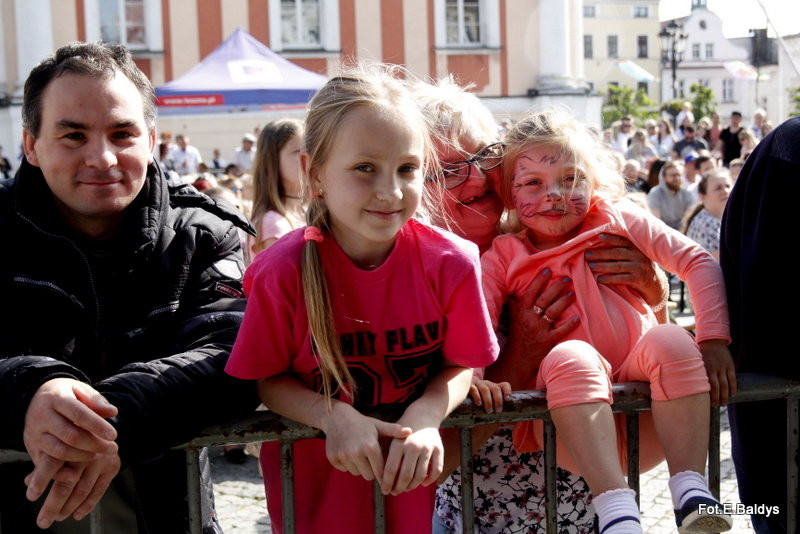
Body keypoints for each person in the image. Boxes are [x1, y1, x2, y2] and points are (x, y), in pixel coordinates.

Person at [225, 66, 500, 534]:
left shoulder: (454, 262)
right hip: (312, 500)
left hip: (413, 498)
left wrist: (428, 415)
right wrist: (333, 417)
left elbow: (462, 367)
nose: (390, 192)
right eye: (364, 169)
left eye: (407, 169)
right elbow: (265, 378)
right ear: (315, 174)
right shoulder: (281, 272)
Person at [0, 42, 259, 533]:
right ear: (31, 145)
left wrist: (107, 422)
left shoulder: (203, 233)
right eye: (73, 135)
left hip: (167, 515)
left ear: (152, 138)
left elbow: (234, 351)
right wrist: (27, 389)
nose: (102, 157)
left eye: (122, 133)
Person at [415, 79, 667, 534]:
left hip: (595, 507)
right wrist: (523, 353)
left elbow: (644, 356)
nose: (475, 177)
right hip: (486, 516)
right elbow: (440, 449)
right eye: (449, 169)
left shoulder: (556, 234)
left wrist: (653, 289)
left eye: (484, 156)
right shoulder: (419, 277)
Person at [481, 109, 735, 534]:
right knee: (572, 355)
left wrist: (712, 340)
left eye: (570, 178)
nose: (555, 195)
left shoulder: (617, 218)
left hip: (651, 423)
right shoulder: (506, 253)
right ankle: (616, 509)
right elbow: (479, 317)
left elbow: (697, 261)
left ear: (594, 180)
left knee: (673, 339)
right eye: (533, 183)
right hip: (571, 434)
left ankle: (691, 489)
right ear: (508, 193)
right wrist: (473, 374)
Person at [721, 117, 800, 534]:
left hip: (766, 391)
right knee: (775, 513)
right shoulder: (789, 149)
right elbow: (765, 280)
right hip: (771, 398)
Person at [247, 118, 305, 261]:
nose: (307, 157)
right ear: (272, 160)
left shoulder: (313, 210)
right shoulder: (272, 223)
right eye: (297, 151)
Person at [683, 168, 732, 261]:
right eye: (718, 188)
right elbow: (726, 264)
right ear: (702, 196)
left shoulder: (712, 217)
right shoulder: (708, 223)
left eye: (728, 186)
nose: (726, 191)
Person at [646, 160, 695, 229]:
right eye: (673, 175)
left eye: (679, 175)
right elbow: (656, 222)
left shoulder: (686, 194)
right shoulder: (655, 193)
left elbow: (687, 220)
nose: (677, 178)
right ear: (664, 177)